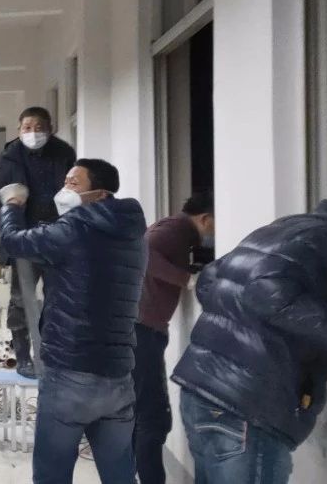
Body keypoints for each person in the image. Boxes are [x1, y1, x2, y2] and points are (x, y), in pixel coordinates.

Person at [172, 182, 327, 484]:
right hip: (245, 407)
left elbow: (210, 279)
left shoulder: (291, 226)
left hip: (203, 389)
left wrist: (240, 324)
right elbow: (267, 294)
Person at [0, 159, 145, 484]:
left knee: (52, 474)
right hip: (118, 376)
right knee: (120, 474)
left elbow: (12, 241)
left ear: (100, 193)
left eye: (74, 183)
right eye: (65, 182)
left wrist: (12, 204)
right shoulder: (132, 234)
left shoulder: (73, 229)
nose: (64, 190)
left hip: (70, 372)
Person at [0, 106, 77, 377]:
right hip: (23, 236)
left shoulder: (64, 153)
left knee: (58, 300)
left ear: (50, 129)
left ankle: (53, 355)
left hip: (57, 237)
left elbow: (76, 191)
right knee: (21, 299)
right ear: (19, 130)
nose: (33, 133)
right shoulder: (11, 154)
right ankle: (22, 357)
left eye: (39, 127)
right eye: (27, 128)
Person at [132, 192, 215, 484]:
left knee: (142, 415)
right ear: (205, 219)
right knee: (152, 418)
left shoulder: (174, 230)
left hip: (139, 328)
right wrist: (186, 279)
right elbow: (142, 253)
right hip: (141, 331)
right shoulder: (177, 230)